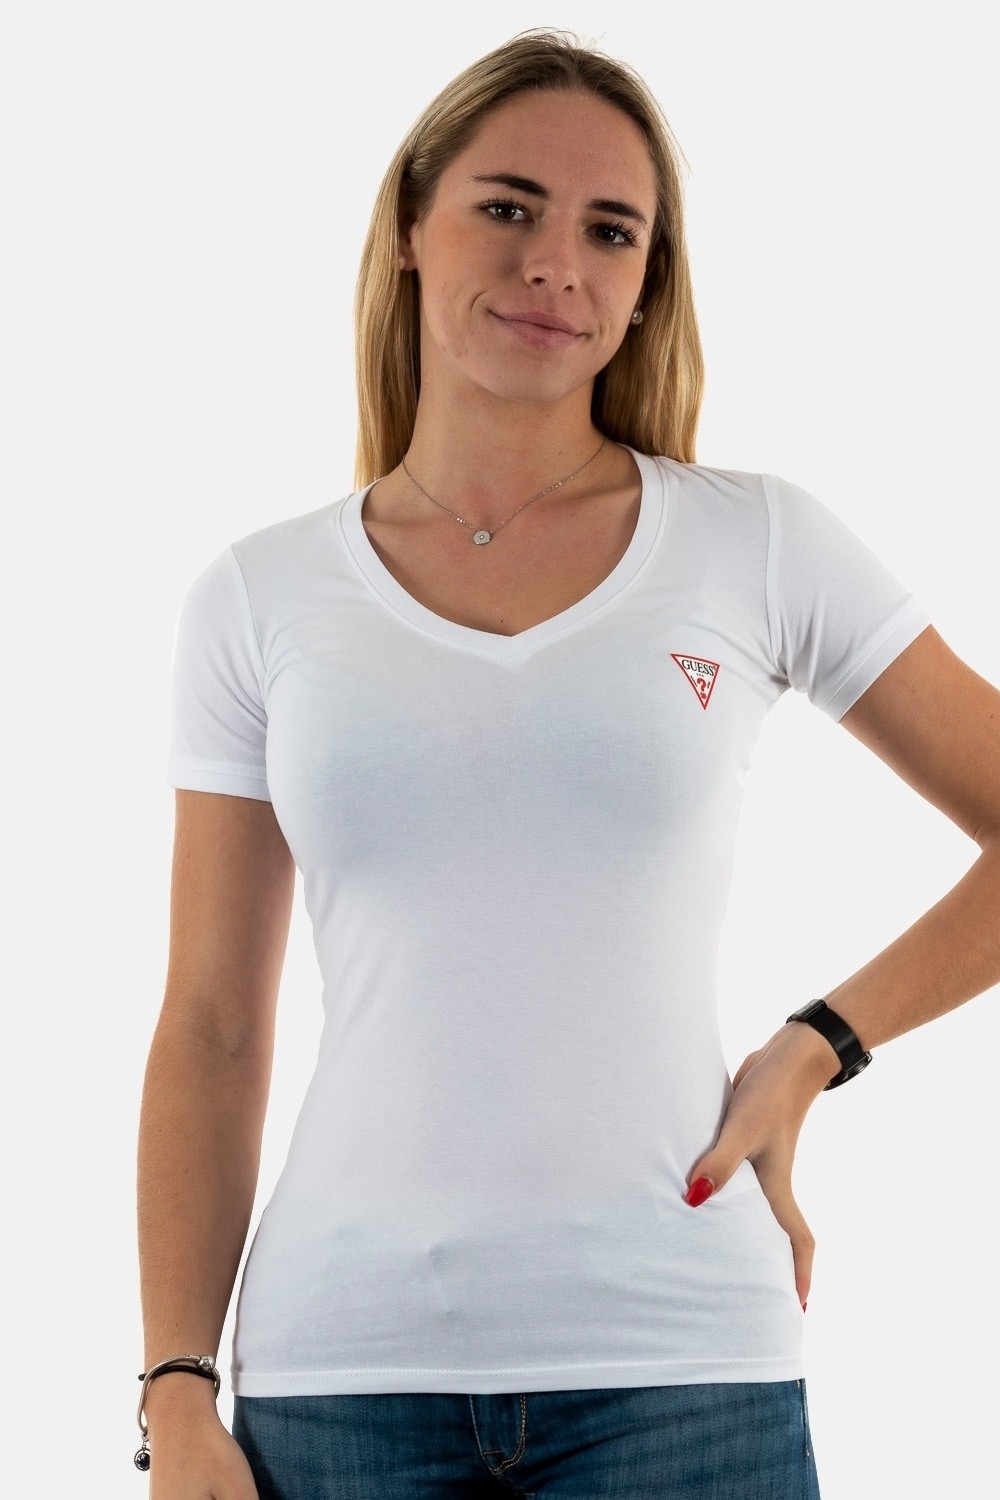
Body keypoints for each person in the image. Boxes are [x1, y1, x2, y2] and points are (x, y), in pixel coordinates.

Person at [136, 27, 1000, 1500]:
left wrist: (818, 1045)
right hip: (342, 1383)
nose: (556, 264)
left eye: (612, 231)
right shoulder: (259, 597)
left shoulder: (756, 542)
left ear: (647, 283)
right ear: (411, 228)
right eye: (508, 206)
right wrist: (176, 1390)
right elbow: (214, 1022)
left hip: (686, 1375)